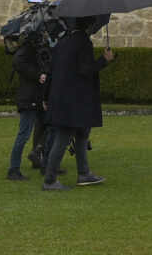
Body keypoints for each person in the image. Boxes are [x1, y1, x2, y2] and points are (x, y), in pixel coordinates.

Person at [42, 15, 116, 191]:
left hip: (63, 97)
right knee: (63, 138)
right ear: (89, 25)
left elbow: (52, 71)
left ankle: (84, 173)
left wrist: (46, 96)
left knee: (82, 134)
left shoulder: (63, 42)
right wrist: (104, 61)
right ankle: (50, 180)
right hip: (74, 100)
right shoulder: (82, 42)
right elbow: (85, 70)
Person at [7, 39, 49, 181]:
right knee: (24, 134)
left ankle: (43, 161)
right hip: (28, 100)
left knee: (49, 127)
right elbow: (18, 63)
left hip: (34, 99)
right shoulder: (26, 50)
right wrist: (38, 75)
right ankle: (13, 169)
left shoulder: (33, 50)